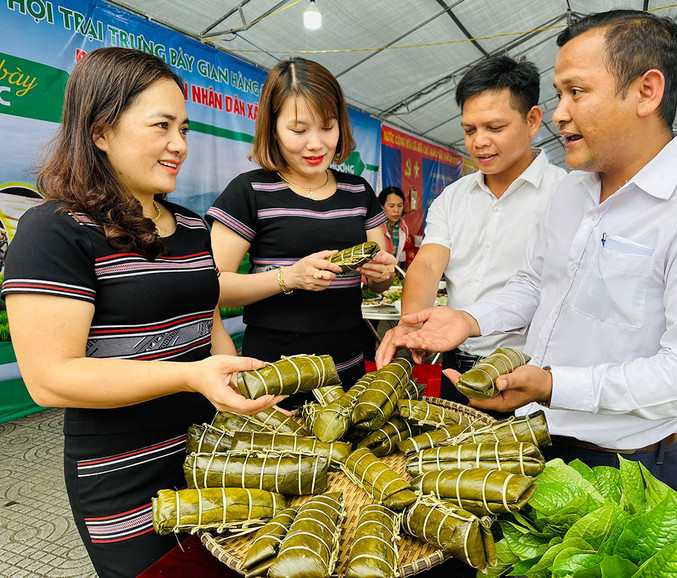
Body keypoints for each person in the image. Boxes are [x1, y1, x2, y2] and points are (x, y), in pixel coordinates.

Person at [380, 10, 677, 495]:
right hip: (527, 440)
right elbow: (535, 284)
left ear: (647, 90)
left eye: (576, 92)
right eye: (558, 93)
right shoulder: (573, 192)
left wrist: (555, 385)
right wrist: (469, 320)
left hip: (624, 469)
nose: (559, 112)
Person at [0, 48, 282, 577]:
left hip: (214, 458)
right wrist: (192, 376)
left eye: (184, 128)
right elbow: (50, 379)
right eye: (161, 126)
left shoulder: (194, 228)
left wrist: (249, 399)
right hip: (123, 477)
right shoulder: (55, 230)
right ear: (101, 131)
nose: (179, 145)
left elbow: (209, 322)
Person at [376, 54, 566, 406]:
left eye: (494, 128)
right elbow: (429, 265)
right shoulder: (454, 196)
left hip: (524, 372)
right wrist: (410, 326)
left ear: (533, 120)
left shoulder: (564, 195)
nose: (479, 141)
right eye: (469, 130)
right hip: (455, 365)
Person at [206, 58, 396, 402]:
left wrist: (382, 272)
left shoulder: (359, 192)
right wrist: (289, 277)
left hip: (347, 371)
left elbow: (380, 279)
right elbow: (211, 287)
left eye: (327, 127)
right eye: (298, 130)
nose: (316, 144)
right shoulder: (250, 191)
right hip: (272, 376)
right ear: (273, 128)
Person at [378, 186, 410, 265]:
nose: (396, 210)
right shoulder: (375, 227)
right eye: (391, 206)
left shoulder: (403, 227)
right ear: (382, 206)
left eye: (400, 206)